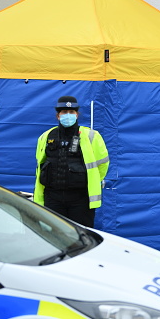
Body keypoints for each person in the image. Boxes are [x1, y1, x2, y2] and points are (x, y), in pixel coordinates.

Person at [34, 96, 109, 228]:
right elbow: (40, 165)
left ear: (77, 115)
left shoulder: (92, 136)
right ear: (58, 116)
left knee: (82, 236)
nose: (67, 115)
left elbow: (103, 164)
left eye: (71, 112)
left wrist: (92, 181)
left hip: (80, 199)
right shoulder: (46, 136)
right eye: (64, 112)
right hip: (52, 198)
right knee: (54, 236)